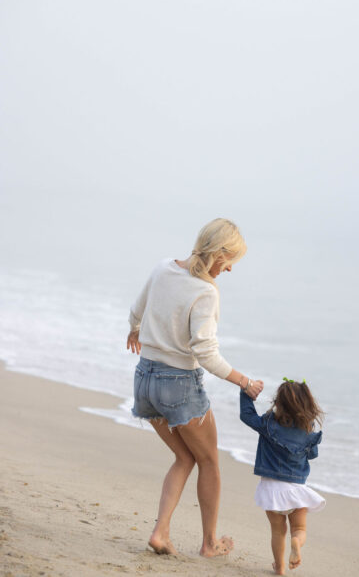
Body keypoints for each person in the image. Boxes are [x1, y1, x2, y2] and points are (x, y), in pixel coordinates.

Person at [126, 218, 264, 558]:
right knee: (210, 463)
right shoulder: (205, 291)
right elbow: (205, 353)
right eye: (229, 259)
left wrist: (135, 329)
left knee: (184, 457)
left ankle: (160, 532)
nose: (230, 268)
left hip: (144, 379)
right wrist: (245, 381)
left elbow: (137, 309)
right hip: (178, 385)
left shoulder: (162, 268)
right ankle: (209, 543)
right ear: (217, 253)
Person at [239, 378, 325, 574]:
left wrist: (246, 393)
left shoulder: (268, 425)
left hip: (272, 490)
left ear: (278, 403)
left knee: (278, 531)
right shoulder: (308, 433)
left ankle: (280, 567)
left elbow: (247, 415)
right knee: (299, 530)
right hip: (296, 491)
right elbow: (312, 456)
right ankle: (296, 543)